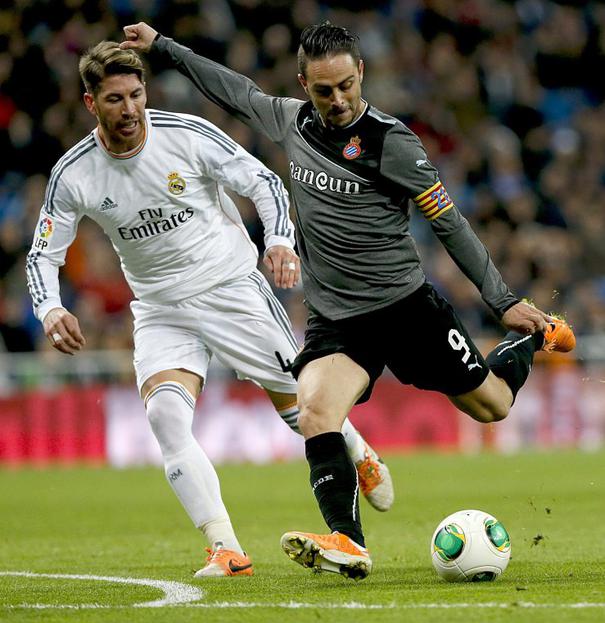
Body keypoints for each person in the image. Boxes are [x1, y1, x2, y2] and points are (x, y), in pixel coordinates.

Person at [120, 21, 575, 580]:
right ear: (303, 84)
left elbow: (449, 222)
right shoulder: (291, 121)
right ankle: (348, 541)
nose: (337, 100)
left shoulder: (392, 142)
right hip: (338, 320)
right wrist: (163, 47)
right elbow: (233, 90)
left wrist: (501, 301)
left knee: (493, 405)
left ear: (361, 72)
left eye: (345, 86)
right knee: (314, 411)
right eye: (323, 90)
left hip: (406, 309)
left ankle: (533, 335)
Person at [25, 40, 394, 579]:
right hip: (160, 308)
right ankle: (226, 547)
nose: (130, 109)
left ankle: (358, 450)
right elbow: (43, 254)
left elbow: (263, 182)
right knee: (164, 417)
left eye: (136, 94)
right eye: (114, 99)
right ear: (90, 103)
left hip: (230, 289)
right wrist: (50, 309)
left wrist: (280, 242)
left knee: (301, 410)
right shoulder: (75, 173)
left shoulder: (185, 135)